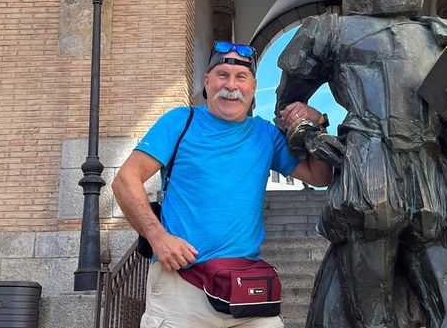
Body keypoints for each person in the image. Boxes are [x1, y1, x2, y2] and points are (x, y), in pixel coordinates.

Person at [276, 0, 447, 328]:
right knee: (368, 312)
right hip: (369, 169)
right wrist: (310, 127)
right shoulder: (329, 31)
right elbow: (287, 106)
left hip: (434, 174)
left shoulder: (443, 36)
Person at [113, 41, 332, 328]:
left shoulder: (264, 134)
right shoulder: (181, 121)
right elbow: (124, 180)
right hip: (182, 286)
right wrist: (158, 237)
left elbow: (320, 176)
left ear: (253, 87)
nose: (231, 85)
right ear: (207, 82)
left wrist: (318, 123)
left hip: (245, 288)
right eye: (222, 75)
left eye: (241, 77)